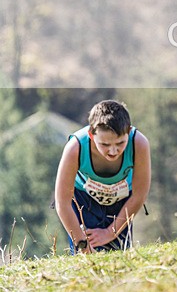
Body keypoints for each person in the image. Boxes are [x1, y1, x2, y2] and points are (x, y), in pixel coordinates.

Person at [54, 100, 151, 253]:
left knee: (119, 257)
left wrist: (110, 232)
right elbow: (62, 202)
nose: (113, 151)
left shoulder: (139, 143)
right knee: (86, 260)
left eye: (120, 143)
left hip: (122, 202)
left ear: (129, 131)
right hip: (84, 201)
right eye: (105, 145)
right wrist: (82, 244)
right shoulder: (75, 148)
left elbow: (139, 195)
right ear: (91, 135)